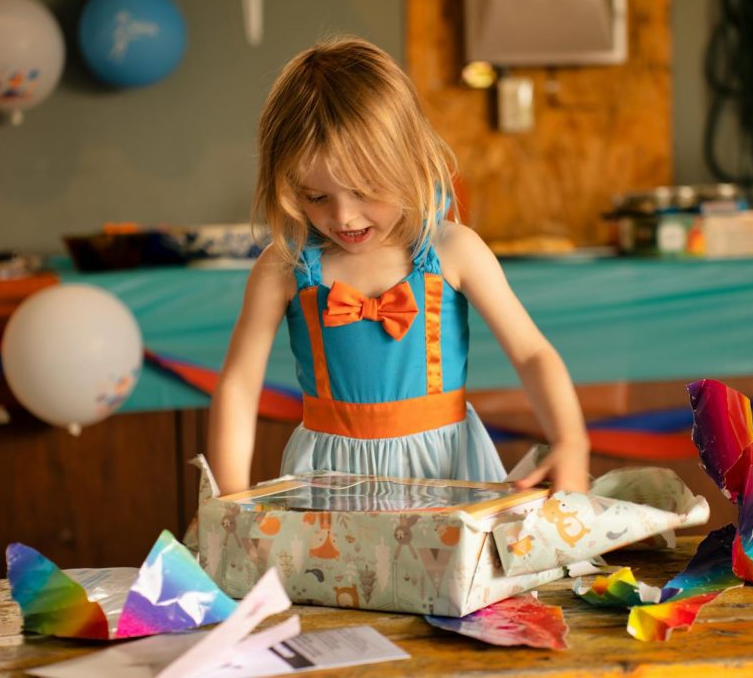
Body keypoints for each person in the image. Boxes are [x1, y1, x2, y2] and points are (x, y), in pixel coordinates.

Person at [207, 36, 589, 496]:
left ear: (407, 162)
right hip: (329, 482)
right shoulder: (283, 267)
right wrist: (226, 499)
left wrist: (570, 440)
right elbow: (238, 386)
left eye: (366, 190)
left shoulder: (455, 251)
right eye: (316, 197)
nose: (344, 217)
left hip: (445, 475)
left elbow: (532, 355)